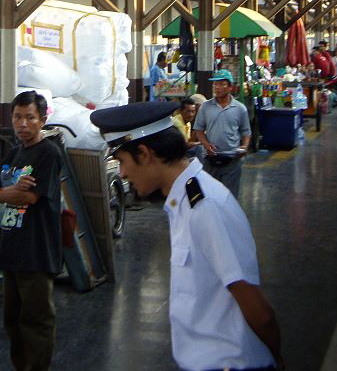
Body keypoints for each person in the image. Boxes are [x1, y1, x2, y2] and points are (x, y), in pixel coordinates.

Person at [89, 102, 283, 371]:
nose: (122, 173)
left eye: (122, 161)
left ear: (144, 154)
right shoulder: (182, 201)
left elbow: (257, 310)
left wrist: (277, 359)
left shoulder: (205, 207)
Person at [0, 91, 63, 371]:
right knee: (13, 319)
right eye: (17, 117)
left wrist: (4, 192)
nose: (22, 123)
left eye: (29, 117)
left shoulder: (49, 153)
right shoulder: (14, 152)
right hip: (12, 248)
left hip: (37, 249)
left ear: (42, 120)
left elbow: (29, 198)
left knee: (37, 320)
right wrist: (7, 191)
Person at [192, 69, 252, 199]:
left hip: (232, 160)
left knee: (229, 198)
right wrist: (206, 145)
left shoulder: (240, 108)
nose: (217, 87)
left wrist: (245, 146)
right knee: (210, 197)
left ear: (230, 87)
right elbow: (199, 130)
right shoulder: (205, 107)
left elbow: (246, 132)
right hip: (210, 160)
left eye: (221, 84)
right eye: (215, 84)